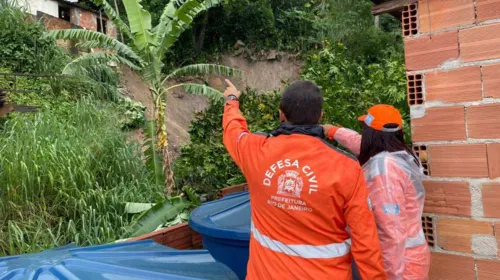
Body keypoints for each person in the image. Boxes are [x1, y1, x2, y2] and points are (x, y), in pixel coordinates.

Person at [222, 79, 387, 280]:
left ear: (281, 113)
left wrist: (231, 100)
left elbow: (233, 130)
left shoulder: (254, 150)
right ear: (320, 116)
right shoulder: (346, 167)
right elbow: (366, 241)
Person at [322, 104, 431, 280]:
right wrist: (332, 131)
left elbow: (391, 232)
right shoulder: (399, 153)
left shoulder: (384, 171)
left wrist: (388, 275)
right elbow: (358, 143)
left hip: (400, 266)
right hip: (410, 257)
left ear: (372, 135)